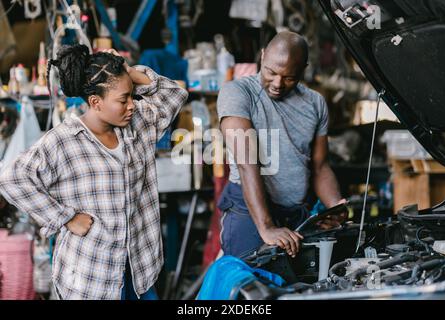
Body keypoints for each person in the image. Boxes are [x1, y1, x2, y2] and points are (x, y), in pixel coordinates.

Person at [0, 44, 188, 300]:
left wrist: (130, 72)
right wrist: (65, 217)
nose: (131, 105)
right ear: (95, 102)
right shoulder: (64, 141)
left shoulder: (139, 124)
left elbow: (175, 93)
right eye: (123, 100)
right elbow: (12, 179)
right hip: (91, 278)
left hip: (140, 271)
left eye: (132, 96)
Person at [217, 31, 346, 259]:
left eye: (289, 77)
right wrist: (266, 227)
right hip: (251, 212)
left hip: (297, 216)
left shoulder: (315, 103)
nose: (277, 83)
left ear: (303, 69)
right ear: (263, 55)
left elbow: (320, 166)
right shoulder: (237, 93)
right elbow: (247, 163)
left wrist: (335, 206)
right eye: (271, 72)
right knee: (251, 286)